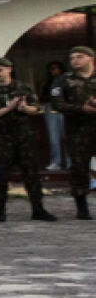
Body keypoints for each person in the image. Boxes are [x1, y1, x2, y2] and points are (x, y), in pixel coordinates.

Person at [0, 58, 54, 222]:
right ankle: (0, 211)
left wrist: (25, 108)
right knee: (0, 176)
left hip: (24, 138)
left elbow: (36, 109)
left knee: (31, 174)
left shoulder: (23, 87)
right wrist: (8, 108)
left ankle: (38, 209)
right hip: (1, 139)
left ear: (9, 69)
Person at [49, 45, 96, 218]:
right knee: (79, 169)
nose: (74, 60)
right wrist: (81, 108)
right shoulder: (63, 80)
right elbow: (56, 104)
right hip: (77, 131)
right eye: (72, 58)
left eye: (79, 57)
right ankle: (82, 208)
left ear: (91, 58)